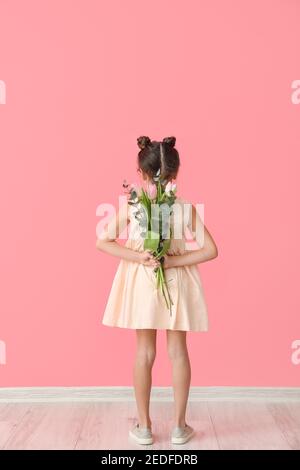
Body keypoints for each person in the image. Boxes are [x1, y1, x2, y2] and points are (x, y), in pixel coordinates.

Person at [96, 136, 218, 445]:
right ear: (176, 174)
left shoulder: (133, 206)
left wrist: (139, 257)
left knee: (144, 352)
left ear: (141, 174)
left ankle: (145, 426)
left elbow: (102, 241)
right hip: (176, 282)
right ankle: (179, 426)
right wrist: (175, 263)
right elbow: (210, 250)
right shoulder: (184, 208)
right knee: (177, 352)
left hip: (142, 281)